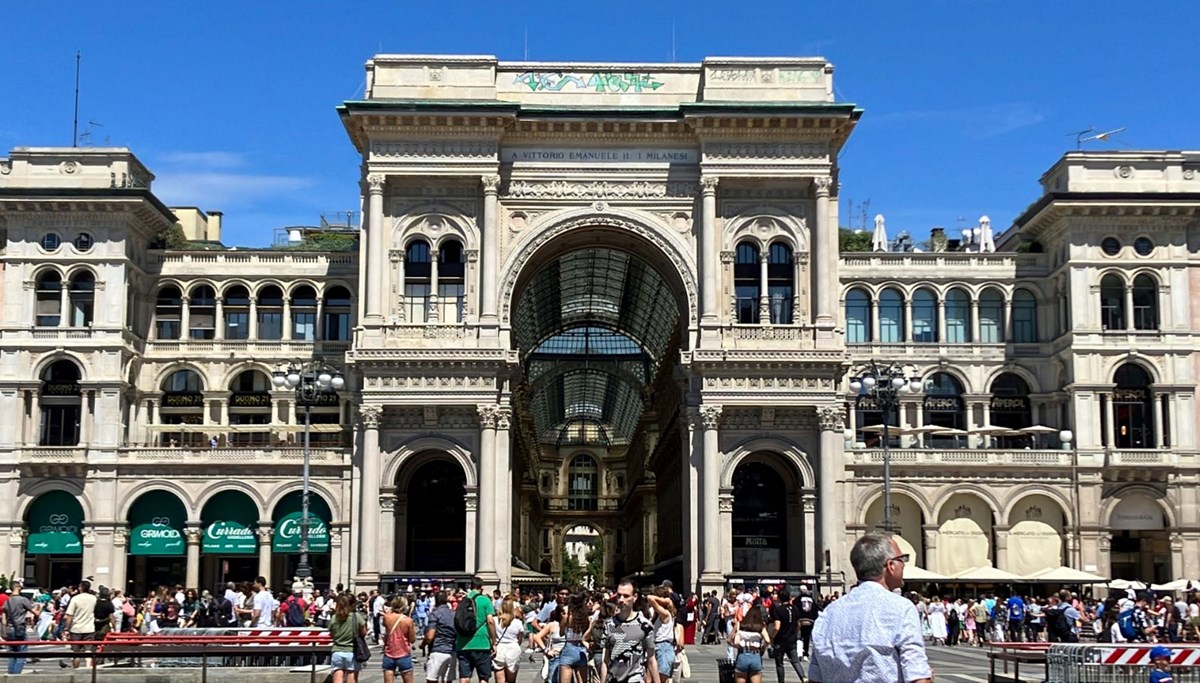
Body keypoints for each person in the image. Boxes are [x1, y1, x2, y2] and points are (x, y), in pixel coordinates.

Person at [807, 533, 932, 683]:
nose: (904, 564)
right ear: (890, 565)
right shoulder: (901, 608)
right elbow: (917, 677)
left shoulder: (829, 613)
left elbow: (815, 678)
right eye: (902, 559)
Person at [599, 579, 659, 683]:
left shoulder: (645, 625)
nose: (621, 599)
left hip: (635, 679)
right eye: (619, 595)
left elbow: (651, 659)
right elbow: (605, 660)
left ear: (634, 597)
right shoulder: (609, 624)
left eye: (626, 596)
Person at [454, 577, 496, 683]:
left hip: (463, 643)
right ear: (481, 587)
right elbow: (490, 620)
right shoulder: (485, 600)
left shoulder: (463, 600)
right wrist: (494, 641)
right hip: (482, 643)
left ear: (470, 586)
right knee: (483, 677)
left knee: (464, 676)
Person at [2, 579, 41, 674]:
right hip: (20, 628)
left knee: (11, 654)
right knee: (21, 653)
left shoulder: (6, 602)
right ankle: (16, 676)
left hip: (10, 629)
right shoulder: (23, 600)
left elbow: (4, 621)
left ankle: (10, 675)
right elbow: (36, 613)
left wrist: (4, 633)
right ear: (18, 588)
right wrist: (41, 608)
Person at [768, 586, 804, 683]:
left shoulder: (778, 610)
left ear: (779, 598)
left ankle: (781, 681)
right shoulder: (795, 609)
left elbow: (777, 627)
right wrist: (795, 633)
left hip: (780, 639)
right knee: (795, 660)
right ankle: (803, 677)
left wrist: (771, 637)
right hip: (791, 639)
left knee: (779, 663)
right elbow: (798, 624)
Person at [329, 592, 367, 683]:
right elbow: (363, 632)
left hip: (337, 651)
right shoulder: (356, 616)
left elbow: (332, 634)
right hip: (352, 651)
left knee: (337, 679)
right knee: (351, 677)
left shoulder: (335, 617)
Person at [730, 598, 771, 683]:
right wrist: (762, 648)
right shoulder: (760, 626)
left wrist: (737, 646)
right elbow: (767, 640)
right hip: (755, 656)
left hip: (742, 655)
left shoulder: (740, 624)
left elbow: (729, 639)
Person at [422, 591, 457, 683]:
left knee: (432, 680)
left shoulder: (435, 614)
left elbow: (430, 636)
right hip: (452, 651)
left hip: (438, 649)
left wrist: (423, 644)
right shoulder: (454, 613)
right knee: (447, 680)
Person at [63, 579, 98, 669]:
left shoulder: (75, 599)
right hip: (89, 627)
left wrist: (66, 628)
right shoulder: (93, 598)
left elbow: (69, 615)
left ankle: (76, 669)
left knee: (76, 651)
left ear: (80, 588)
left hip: (76, 628)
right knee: (88, 650)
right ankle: (88, 667)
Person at [381, 596, 417, 683]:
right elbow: (412, 639)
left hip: (389, 653)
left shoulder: (386, 617)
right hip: (403, 653)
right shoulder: (408, 620)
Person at [491, 597, 525, 683]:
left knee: (500, 680)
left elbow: (491, 634)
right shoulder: (517, 622)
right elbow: (520, 638)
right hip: (513, 647)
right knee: (511, 680)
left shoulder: (495, 620)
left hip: (499, 648)